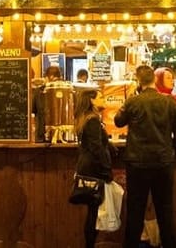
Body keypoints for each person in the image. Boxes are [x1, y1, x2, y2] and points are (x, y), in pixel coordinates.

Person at [114, 64, 176, 248]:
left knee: (135, 213)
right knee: (165, 213)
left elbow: (118, 121)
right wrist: (174, 152)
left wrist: (130, 97)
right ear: (154, 79)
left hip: (137, 164)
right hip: (163, 162)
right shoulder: (169, 102)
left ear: (138, 81)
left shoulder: (133, 102)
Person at [74, 88, 113, 248]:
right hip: (94, 171)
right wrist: (106, 171)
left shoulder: (86, 118)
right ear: (92, 100)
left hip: (87, 168)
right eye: (101, 96)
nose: (104, 99)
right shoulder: (93, 120)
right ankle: (89, 245)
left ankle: (89, 244)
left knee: (93, 211)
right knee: (94, 212)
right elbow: (96, 148)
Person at [32, 64, 62, 142]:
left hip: (42, 134)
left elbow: (33, 110)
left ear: (50, 77)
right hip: (62, 135)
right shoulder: (67, 90)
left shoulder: (39, 91)